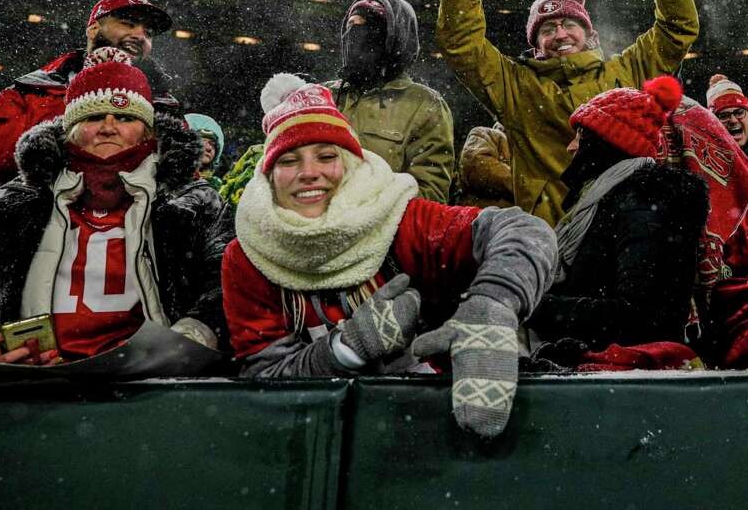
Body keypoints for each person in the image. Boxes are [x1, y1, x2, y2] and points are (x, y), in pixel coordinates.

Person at [221, 74, 556, 438]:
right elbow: (265, 378)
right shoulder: (249, 254)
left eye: (326, 156)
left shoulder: (399, 219)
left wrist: (492, 307)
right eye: (288, 160)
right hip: (317, 438)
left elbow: (525, 232)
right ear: (268, 175)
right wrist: (347, 348)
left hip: (429, 425)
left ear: (349, 163)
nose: (308, 173)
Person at [437, 0, 698, 226]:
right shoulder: (517, 87)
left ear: (590, 35)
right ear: (535, 44)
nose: (559, 34)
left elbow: (677, 27)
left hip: (619, 231)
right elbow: (461, 44)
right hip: (550, 239)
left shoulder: (626, 71)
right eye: (547, 29)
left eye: (569, 24)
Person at [0, 48, 230, 365]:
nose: (108, 126)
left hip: (151, 387)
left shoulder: (195, 204)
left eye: (125, 117)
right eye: (92, 117)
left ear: (148, 130)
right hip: (38, 386)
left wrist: (186, 342)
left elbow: (226, 286)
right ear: (70, 130)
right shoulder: (14, 203)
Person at [526, 76, 709, 360]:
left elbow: (640, 318)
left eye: (580, 137)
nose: (570, 147)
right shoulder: (607, 199)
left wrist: (534, 308)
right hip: (606, 372)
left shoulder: (645, 202)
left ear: (604, 142)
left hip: (627, 382)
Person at [0, 0, 176, 186]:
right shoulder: (33, 90)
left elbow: (183, 184)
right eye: (128, 23)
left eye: (148, 33)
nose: (140, 36)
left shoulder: (164, 105)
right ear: (94, 29)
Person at [326, 0, 454, 203]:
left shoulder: (425, 105)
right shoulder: (324, 95)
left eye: (365, 25)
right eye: (350, 26)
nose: (353, 34)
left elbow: (430, 197)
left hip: (382, 233)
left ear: (393, 37)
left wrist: (359, 209)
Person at [706, 73, 748, 170]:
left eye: (739, 112)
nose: (733, 120)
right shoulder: (703, 160)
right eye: (724, 116)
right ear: (714, 123)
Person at [455, 123, 514, 208]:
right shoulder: (486, 133)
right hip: (484, 213)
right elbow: (475, 164)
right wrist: (521, 183)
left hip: (514, 216)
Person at [185, 112, 225, 190]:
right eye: (203, 141)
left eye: (213, 145)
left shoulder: (217, 187)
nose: (209, 148)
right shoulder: (167, 177)